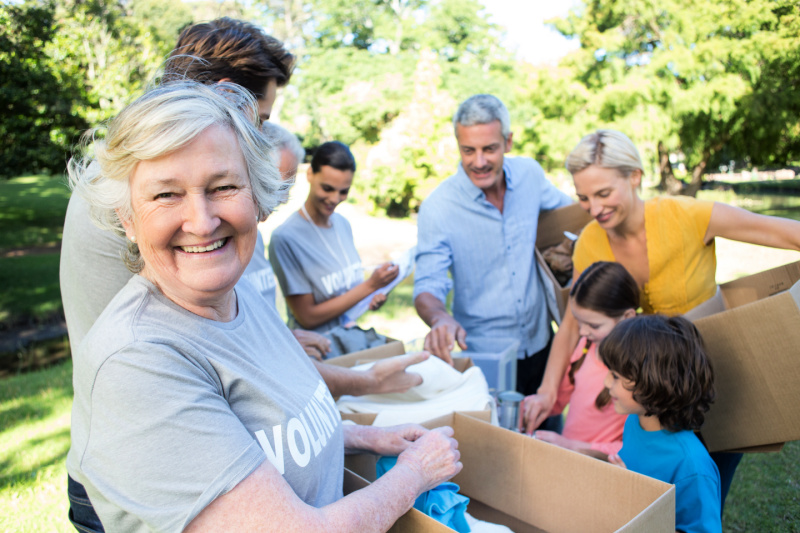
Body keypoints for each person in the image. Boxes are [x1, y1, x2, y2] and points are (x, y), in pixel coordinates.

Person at [66, 81, 462, 532]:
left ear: (256, 197)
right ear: (128, 218)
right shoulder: (137, 362)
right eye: (166, 194)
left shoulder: (237, 295)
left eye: (223, 186)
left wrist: (367, 438)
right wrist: (415, 473)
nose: (201, 221)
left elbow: (267, 439)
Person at [59, 18, 423, 394]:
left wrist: (271, 336)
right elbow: (215, 354)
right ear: (227, 98)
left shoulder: (138, 171)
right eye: (260, 121)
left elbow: (226, 333)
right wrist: (366, 382)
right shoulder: (132, 191)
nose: (260, 138)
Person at [522, 129, 800, 508]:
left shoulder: (687, 215)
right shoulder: (590, 241)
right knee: (645, 495)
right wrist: (548, 391)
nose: (594, 207)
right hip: (644, 399)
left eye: (603, 193)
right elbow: (573, 321)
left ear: (634, 176)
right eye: (584, 198)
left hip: (705, 381)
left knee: (702, 486)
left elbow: (784, 232)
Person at [413, 94, 573, 397]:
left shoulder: (530, 175)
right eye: (468, 150)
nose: (479, 161)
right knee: (499, 442)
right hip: (485, 358)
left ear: (508, 142)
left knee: (550, 437)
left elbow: (573, 220)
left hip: (543, 345)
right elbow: (427, 287)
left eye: (490, 149)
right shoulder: (438, 208)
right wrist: (440, 317)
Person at [601, 315, 721, 533]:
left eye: (616, 376)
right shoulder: (634, 422)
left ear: (653, 382)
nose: (606, 382)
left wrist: (635, 505)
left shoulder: (692, 467)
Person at [269, 141, 400, 333]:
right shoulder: (285, 238)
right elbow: (307, 317)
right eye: (327, 188)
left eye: (343, 191)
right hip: (318, 350)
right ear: (310, 175)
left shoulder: (342, 224)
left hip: (350, 337)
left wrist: (369, 298)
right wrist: (370, 286)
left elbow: (347, 293)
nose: (335, 199)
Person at [529, 261, 637, 460]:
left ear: (627, 317)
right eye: (579, 322)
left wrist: (573, 446)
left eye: (593, 325)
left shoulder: (637, 375)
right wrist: (534, 405)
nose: (582, 331)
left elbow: (632, 450)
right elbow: (559, 399)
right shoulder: (587, 347)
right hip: (568, 458)